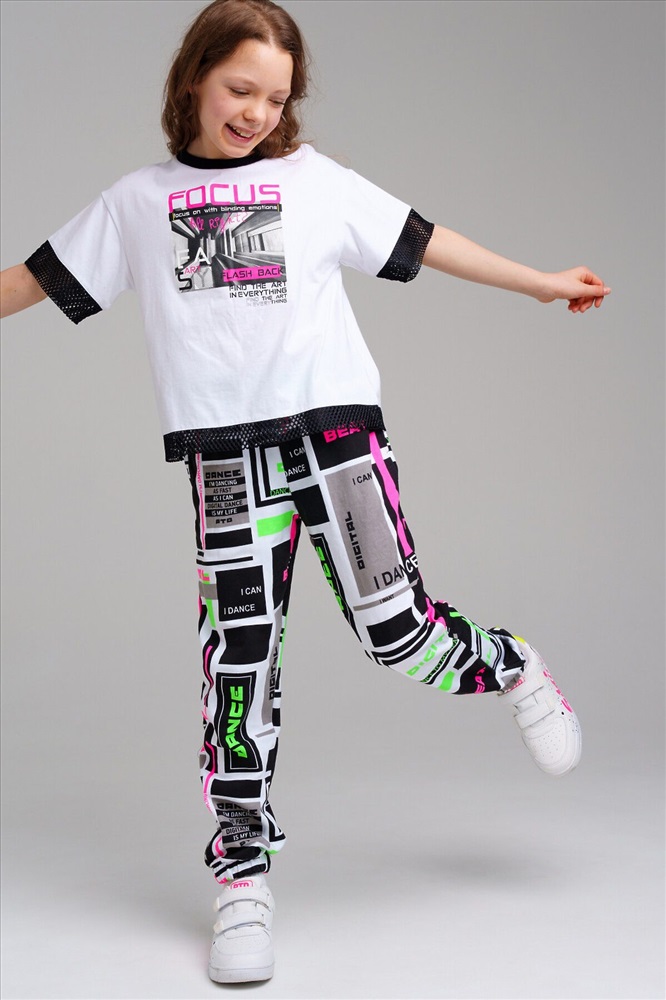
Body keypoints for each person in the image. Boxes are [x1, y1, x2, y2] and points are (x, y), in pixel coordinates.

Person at [0, 0, 610, 985]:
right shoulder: (136, 204)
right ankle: (242, 878)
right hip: (225, 464)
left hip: (337, 442)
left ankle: (512, 666)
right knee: (238, 665)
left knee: (398, 634)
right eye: (240, 88)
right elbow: (31, 281)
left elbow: (423, 239)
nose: (256, 112)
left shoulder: (314, 183)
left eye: (276, 97)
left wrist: (537, 280)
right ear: (195, 78)